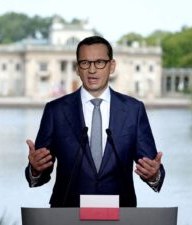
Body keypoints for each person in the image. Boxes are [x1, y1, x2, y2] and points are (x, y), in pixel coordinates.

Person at [25, 36, 165, 207]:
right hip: (67, 214)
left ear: (111, 66)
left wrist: (154, 175)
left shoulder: (133, 110)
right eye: (85, 63)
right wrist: (35, 169)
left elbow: (150, 165)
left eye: (99, 62)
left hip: (120, 215)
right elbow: (40, 173)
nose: (92, 69)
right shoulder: (55, 111)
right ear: (77, 68)